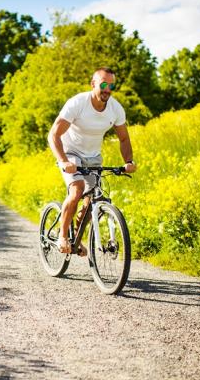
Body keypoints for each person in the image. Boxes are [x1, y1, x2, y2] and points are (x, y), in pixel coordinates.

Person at [47, 67, 137, 254]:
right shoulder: (78, 103)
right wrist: (63, 161)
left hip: (93, 156)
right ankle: (63, 235)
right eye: (103, 84)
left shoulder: (115, 109)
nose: (107, 89)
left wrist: (128, 161)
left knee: (92, 199)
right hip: (70, 152)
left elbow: (124, 139)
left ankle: (77, 237)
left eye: (111, 85)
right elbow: (54, 135)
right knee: (77, 189)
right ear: (93, 84)